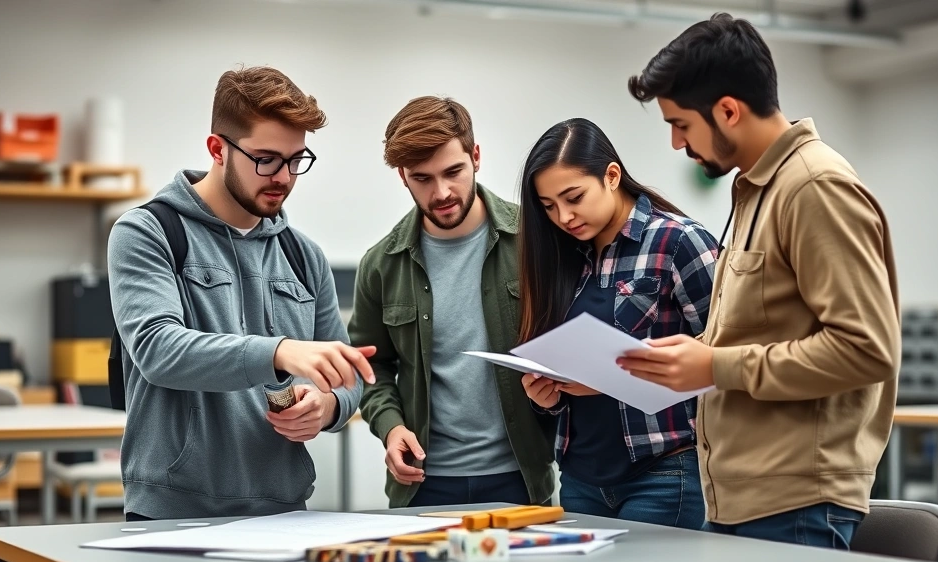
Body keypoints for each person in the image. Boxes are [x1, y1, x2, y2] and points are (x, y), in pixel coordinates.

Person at [618, 13, 900, 548]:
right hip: (742, 498)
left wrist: (717, 364)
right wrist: (691, 357)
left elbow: (867, 349)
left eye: (680, 123)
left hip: (795, 504)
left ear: (727, 110)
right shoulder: (757, 190)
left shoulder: (814, 187)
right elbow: (763, 331)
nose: (677, 143)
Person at [108, 66, 376, 521]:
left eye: (296, 160)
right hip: (172, 514)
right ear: (217, 149)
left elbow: (346, 373)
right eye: (266, 159)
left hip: (284, 512)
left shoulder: (305, 255)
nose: (285, 177)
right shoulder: (147, 232)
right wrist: (279, 353)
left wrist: (327, 405)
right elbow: (157, 350)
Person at [348, 96, 555, 508]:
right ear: (402, 177)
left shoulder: (536, 240)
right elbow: (369, 366)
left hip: (521, 477)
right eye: (422, 178)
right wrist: (390, 428)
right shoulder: (381, 265)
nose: (441, 192)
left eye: (453, 171)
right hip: (424, 484)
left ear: (476, 157)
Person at [517, 118, 717, 528]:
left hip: (663, 473)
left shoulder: (677, 241)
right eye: (549, 206)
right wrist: (547, 396)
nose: (564, 216)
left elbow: (724, 362)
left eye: (574, 197)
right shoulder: (564, 256)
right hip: (579, 479)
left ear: (611, 176)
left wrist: (611, 378)